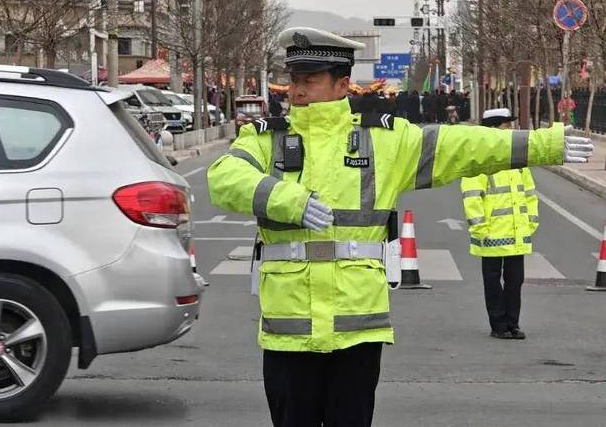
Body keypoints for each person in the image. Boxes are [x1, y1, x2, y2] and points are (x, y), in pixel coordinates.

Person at [206, 27, 593, 427]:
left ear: (342, 84)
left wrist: (544, 145)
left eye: (309, 80)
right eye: (294, 79)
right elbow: (223, 178)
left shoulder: (383, 140)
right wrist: (288, 200)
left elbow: (460, 145)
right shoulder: (265, 139)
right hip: (288, 328)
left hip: (357, 326)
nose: (296, 90)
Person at [460, 108, 539, 340]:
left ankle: (513, 324)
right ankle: (498, 325)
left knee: (516, 281)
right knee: (493, 281)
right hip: (491, 233)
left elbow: (530, 193)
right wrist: (480, 228)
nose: (511, 130)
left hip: (517, 232)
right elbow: (472, 196)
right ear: (494, 129)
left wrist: (531, 221)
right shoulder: (480, 159)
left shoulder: (516, 159)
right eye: (507, 125)